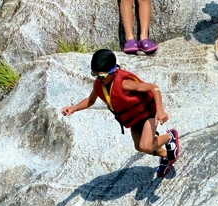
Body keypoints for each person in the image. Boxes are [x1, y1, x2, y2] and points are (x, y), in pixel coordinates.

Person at [61, 49, 181, 177]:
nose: (98, 79)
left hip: (147, 112)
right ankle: (166, 156)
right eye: (94, 75)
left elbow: (153, 87)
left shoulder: (124, 83)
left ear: (112, 72)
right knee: (139, 147)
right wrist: (73, 108)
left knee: (145, 145)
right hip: (134, 118)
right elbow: (90, 101)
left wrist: (160, 110)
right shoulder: (100, 84)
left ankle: (170, 137)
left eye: (101, 76)